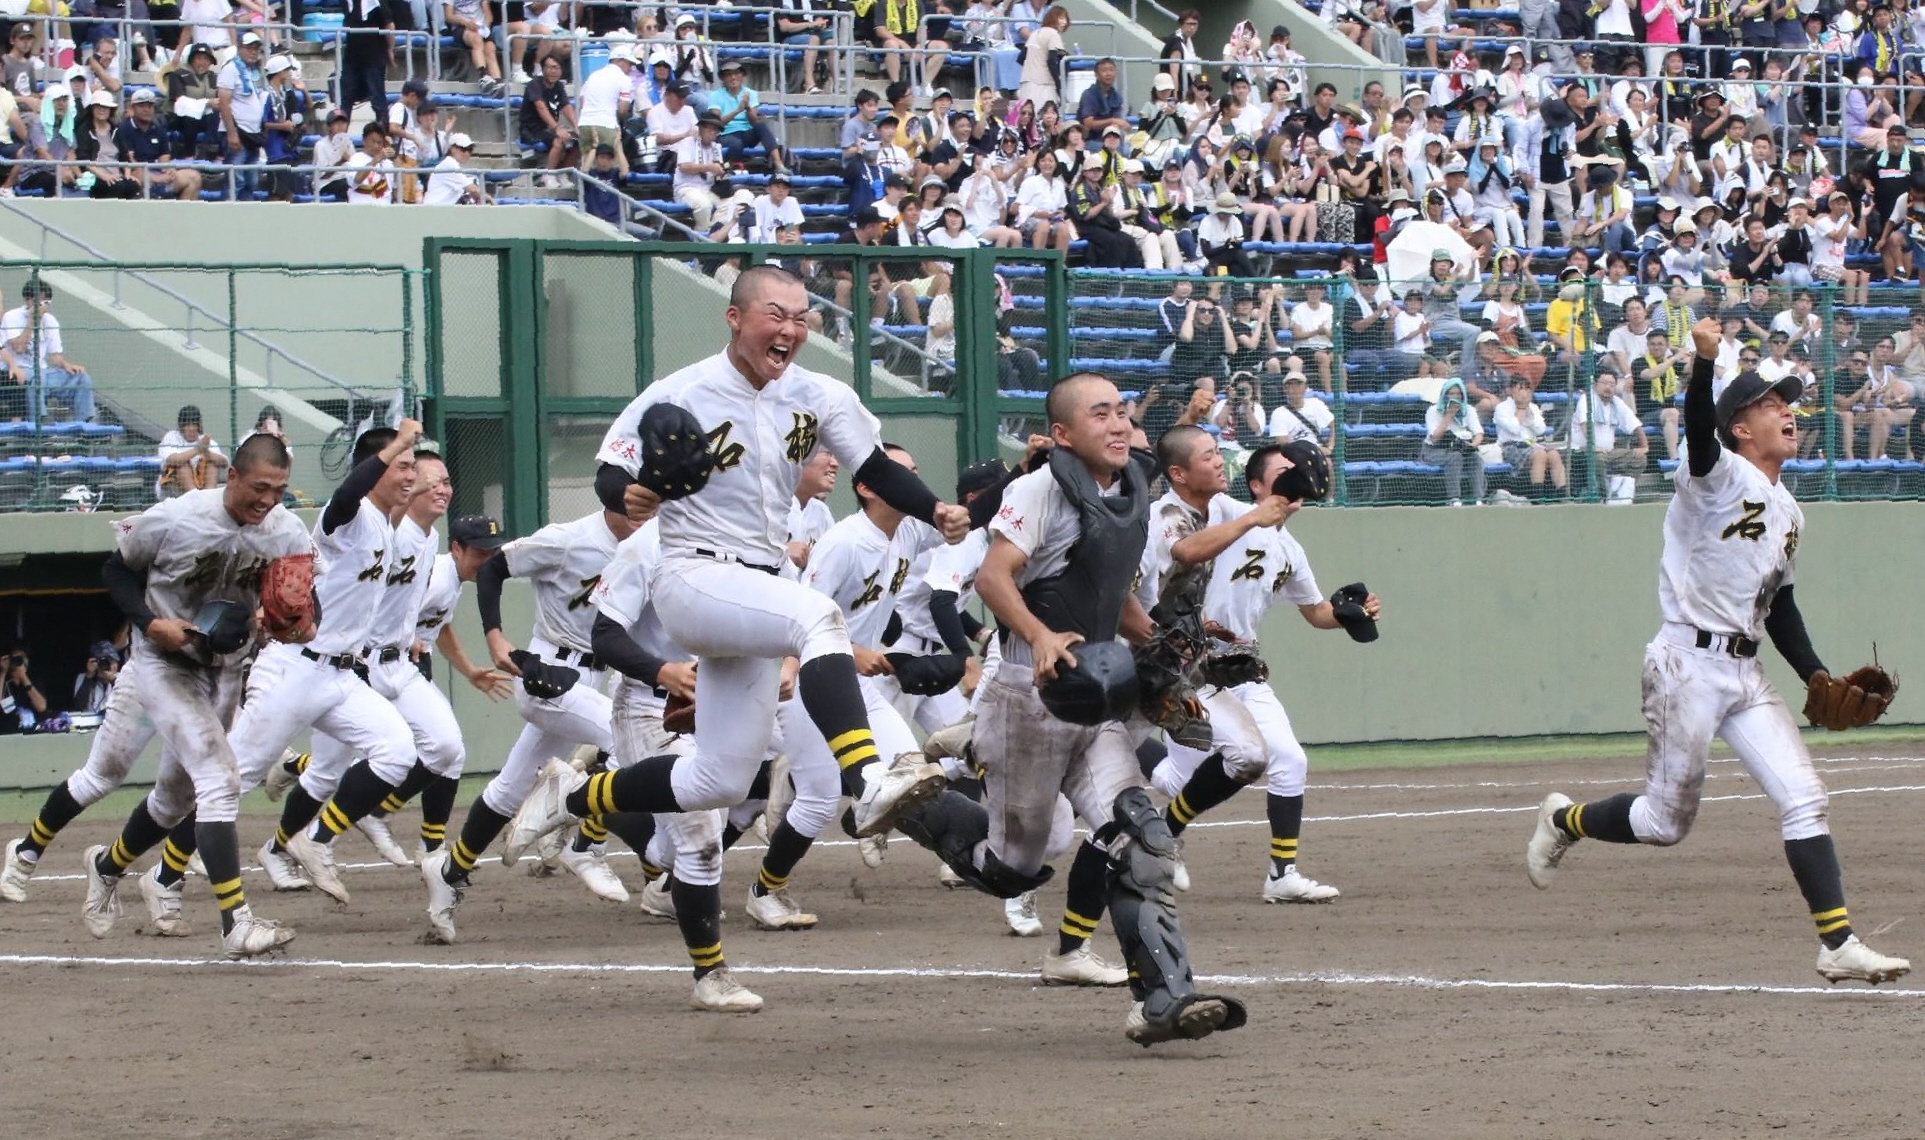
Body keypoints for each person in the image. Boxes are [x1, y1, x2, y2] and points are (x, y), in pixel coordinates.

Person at [497, 266, 970, 1013]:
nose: (788, 329)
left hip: (756, 584)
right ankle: (866, 777)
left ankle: (578, 798)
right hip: (692, 576)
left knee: (713, 782)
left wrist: (935, 507)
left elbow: (874, 466)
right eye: (773, 314)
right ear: (734, 317)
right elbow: (609, 471)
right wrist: (629, 495)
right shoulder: (679, 391)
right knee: (818, 619)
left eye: (800, 319)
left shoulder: (819, 396)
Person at [1527, 318, 1911, 986]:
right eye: (1769, 405)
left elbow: (1779, 605)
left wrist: (1814, 672)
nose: (1785, 412)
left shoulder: (1790, 510)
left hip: (1744, 670)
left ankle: (1837, 943)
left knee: (1803, 798)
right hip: (1684, 665)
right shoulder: (1715, 473)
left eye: (1786, 403)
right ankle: (1564, 819)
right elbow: (1699, 438)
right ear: (1739, 425)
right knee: (1662, 822)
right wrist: (1703, 364)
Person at [917, 373, 1249, 1045]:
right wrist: (1038, 636)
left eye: (1122, 412)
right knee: (1014, 864)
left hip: (1095, 695)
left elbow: (1111, 598)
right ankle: (916, 800)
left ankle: (1163, 1000)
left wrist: (1168, 649)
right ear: (1064, 434)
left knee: (1142, 838)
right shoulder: (1037, 488)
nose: (1120, 424)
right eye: (1101, 414)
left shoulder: (1129, 491)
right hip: (1027, 694)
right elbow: (991, 576)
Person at [52, 433, 311, 956]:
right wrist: (150, 624)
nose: (268, 500)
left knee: (174, 802)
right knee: (220, 778)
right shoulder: (178, 516)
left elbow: (306, 609)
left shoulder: (286, 531)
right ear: (231, 476)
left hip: (225, 668)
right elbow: (116, 569)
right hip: (163, 662)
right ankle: (235, 923)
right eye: (259, 486)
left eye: (279, 490)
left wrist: (295, 622)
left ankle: (106, 868)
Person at [1141, 432, 1375, 905]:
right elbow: (1188, 546)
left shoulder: (1290, 550)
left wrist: (1352, 612)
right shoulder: (1226, 512)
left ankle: (1281, 874)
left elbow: (1316, 612)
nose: (1293, 482)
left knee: (1289, 760)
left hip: (1243, 668)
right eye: (1281, 474)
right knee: (1175, 778)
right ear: (1255, 486)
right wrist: (1253, 516)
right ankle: (1158, 817)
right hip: (1189, 666)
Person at [2, 280, 94, 423]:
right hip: (19, 369)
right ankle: (39, 423)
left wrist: (66, 365)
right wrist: (33, 320)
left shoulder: (50, 321)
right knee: (38, 379)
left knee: (82, 378)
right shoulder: (12, 317)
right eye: (40, 302)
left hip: (42, 370)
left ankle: (85, 425)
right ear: (28, 300)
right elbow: (19, 348)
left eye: (46, 303)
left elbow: (55, 356)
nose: (43, 307)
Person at [1493, 375, 1567, 493]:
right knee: (1539, 455)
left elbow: (1540, 430)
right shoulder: (1501, 408)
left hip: (1532, 445)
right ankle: (1538, 496)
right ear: (1510, 390)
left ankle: (1562, 494)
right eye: (1520, 388)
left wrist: (1530, 414)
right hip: (1511, 447)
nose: (1525, 393)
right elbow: (1514, 428)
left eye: (1527, 389)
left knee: (1554, 454)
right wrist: (1521, 409)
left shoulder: (1533, 407)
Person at [1422, 378, 1486, 506]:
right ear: (1445, 395)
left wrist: (1472, 445)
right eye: (1451, 393)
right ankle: (1454, 499)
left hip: (1461, 448)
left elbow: (1479, 433)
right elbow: (1434, 438)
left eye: (1458, 394)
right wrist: (1449, 415)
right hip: (1434, 450)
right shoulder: (1433, 411)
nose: (1455, 397)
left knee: (1476, 458)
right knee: (1455, 457)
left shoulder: (1469, 410)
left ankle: (1478, 498)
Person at [518, 55, 577, 181]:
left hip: (548, 129)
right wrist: (556, 128)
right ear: (543, 69)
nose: (552, 71)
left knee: (578, 142)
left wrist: (576, 127)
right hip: (531, 130)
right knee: (558, 140)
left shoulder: (559, 86)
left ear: (561, 70)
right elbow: (541, 107)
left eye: (556, 68)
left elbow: (566, 106)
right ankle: (548, 175)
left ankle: (562, 173)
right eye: (548, 67)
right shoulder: (534, 85)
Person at [155, 404, 227, 497]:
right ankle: (195, 498)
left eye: (194, 425)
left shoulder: (205, 440)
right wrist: (197, 449)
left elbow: (224, 463)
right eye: (188, 425)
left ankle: (209, 497)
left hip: (201, 485)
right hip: (174, 488)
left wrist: (206, 452)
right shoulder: (171, 436)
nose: (191, 429)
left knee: (212, 463)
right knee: (182, 464)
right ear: (181, 426)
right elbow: (172, 460)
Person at [1267, 371, 1334, 450]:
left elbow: (1335, 426)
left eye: (1298, 383)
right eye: (1290, 384)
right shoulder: (1278, 413)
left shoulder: (1315, 404)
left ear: (1306, 388)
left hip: (1317, 451)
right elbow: (1283, 444)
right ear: (1285, 389)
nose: (1294, 387)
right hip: (1294, 455)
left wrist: (1330, 447)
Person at [421, 132, 486, 205]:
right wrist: (492, 201)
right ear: (452, 149)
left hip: (439, 209)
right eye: (463, 149)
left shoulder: (451, 164)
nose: (467, 153)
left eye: (470, 150)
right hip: (435, 211)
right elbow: (473, 189)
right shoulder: (450, 164)